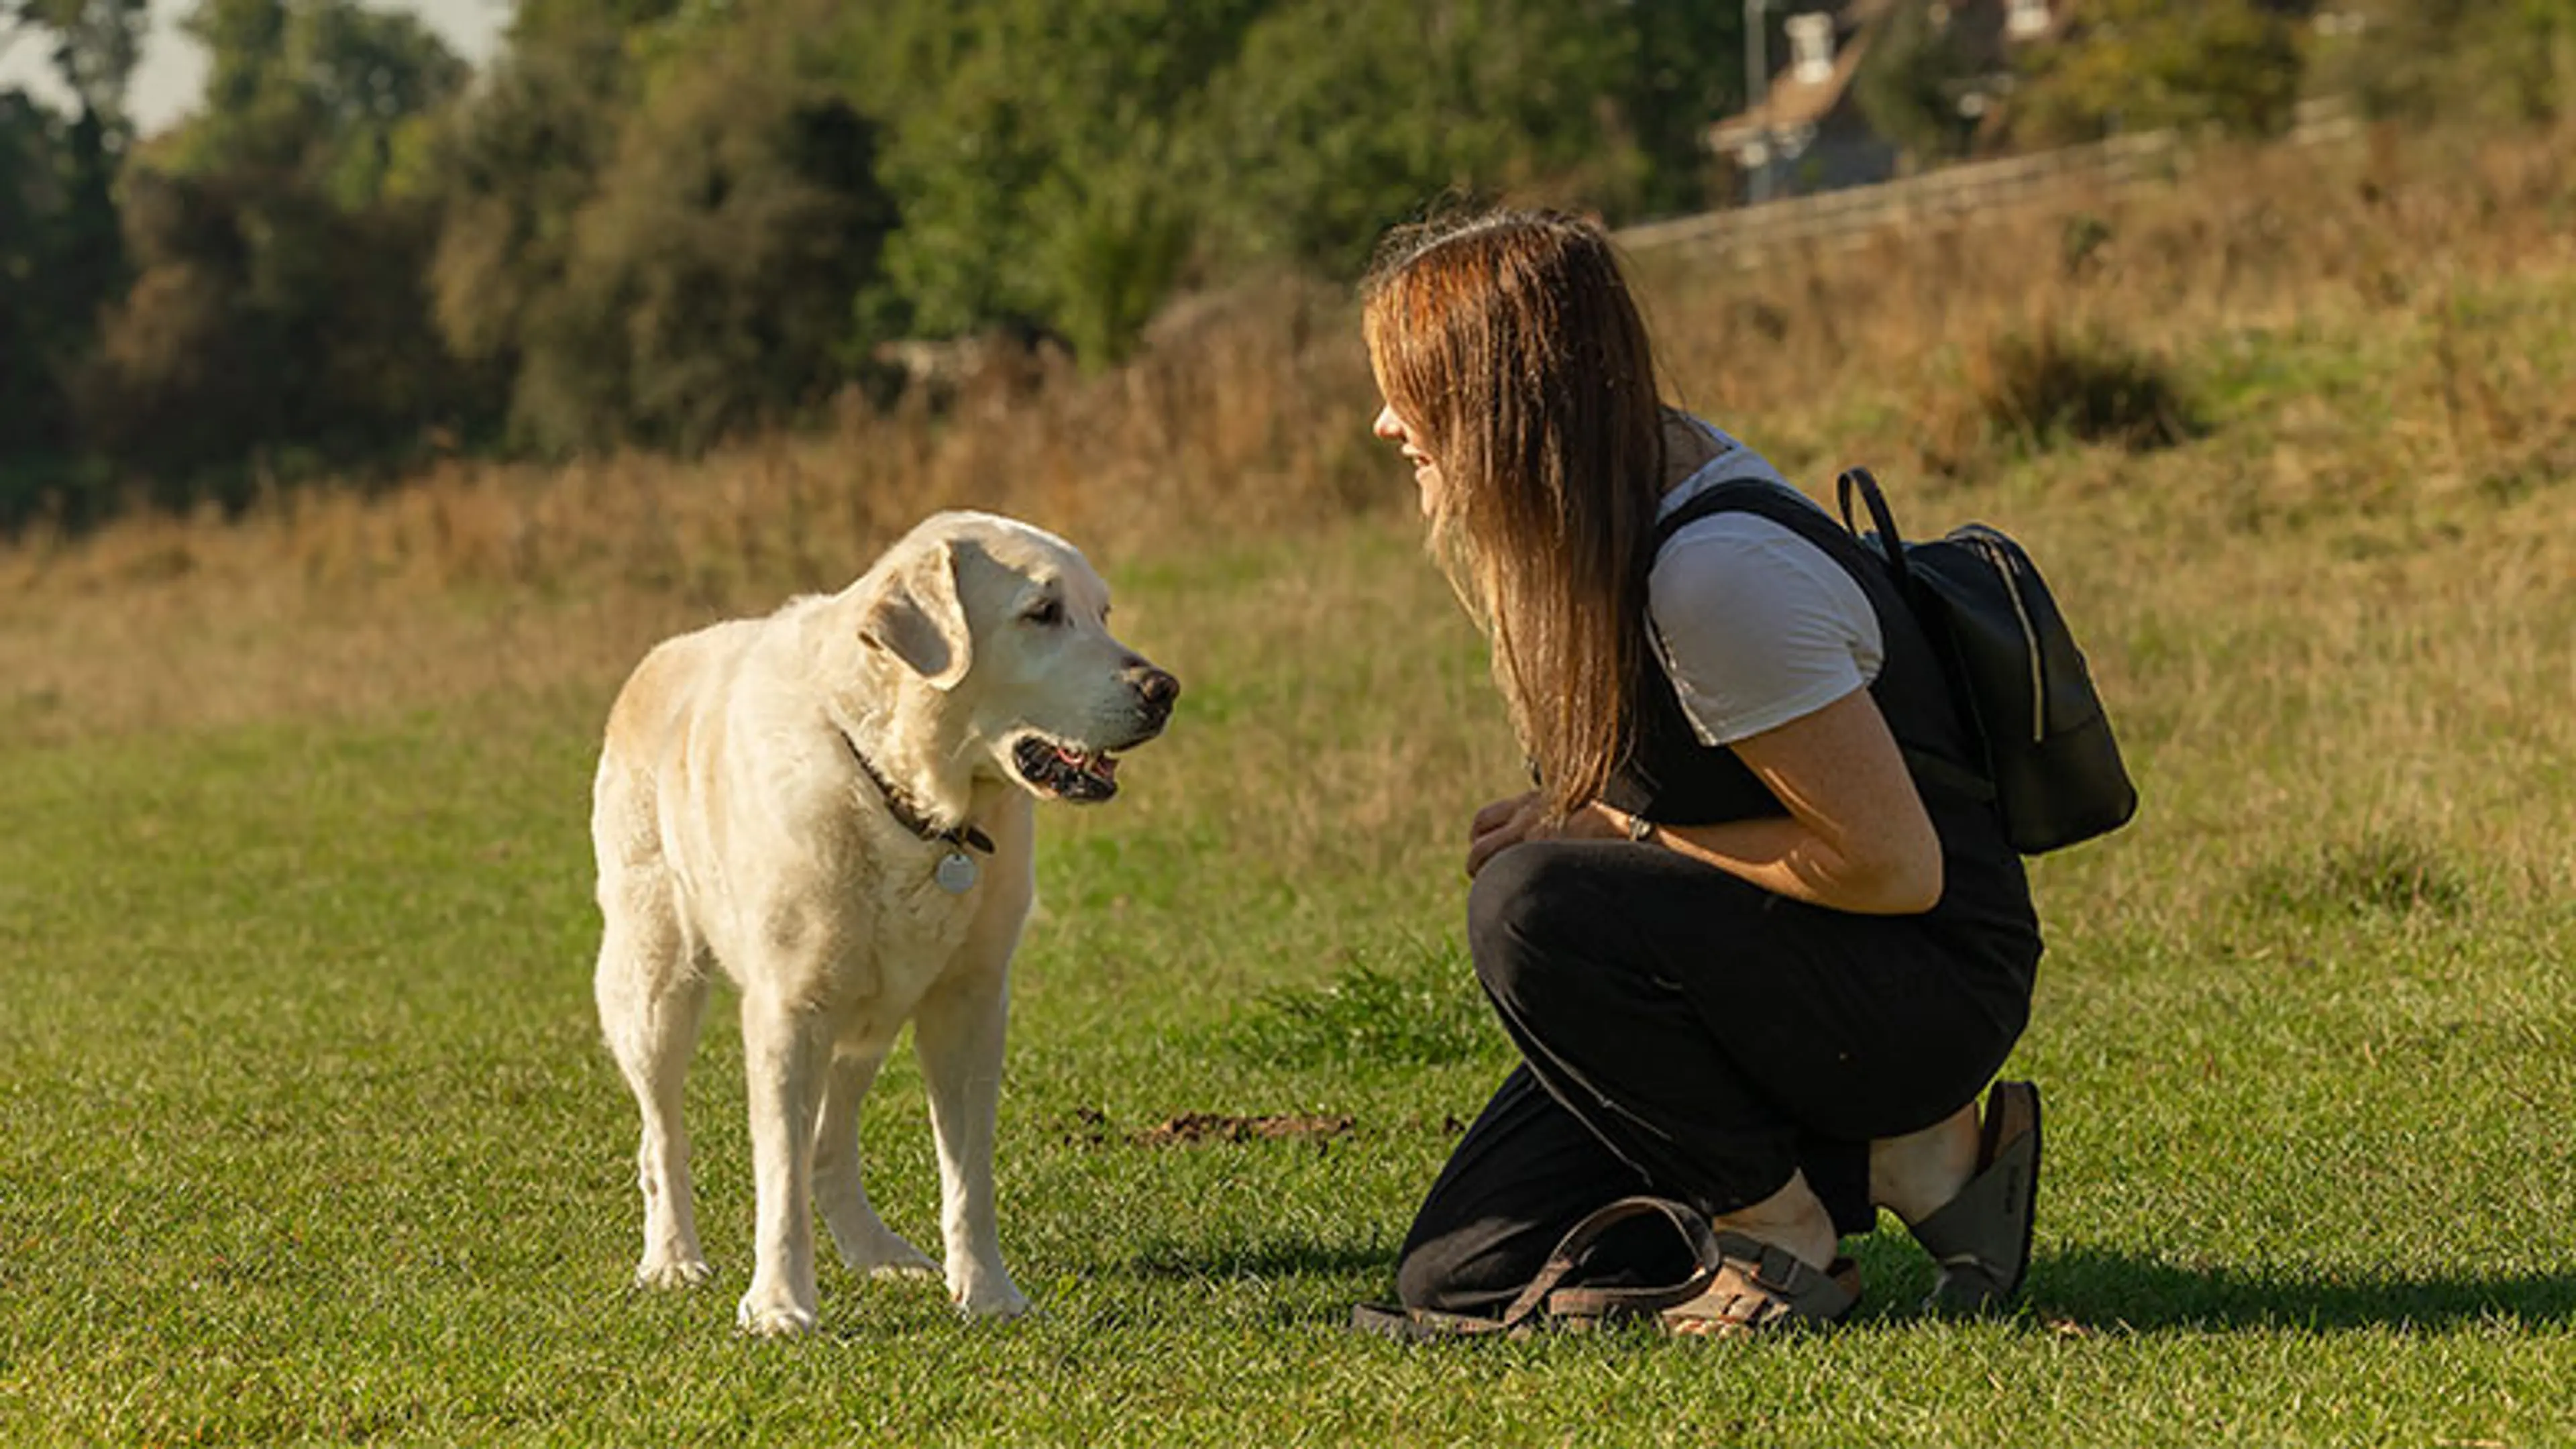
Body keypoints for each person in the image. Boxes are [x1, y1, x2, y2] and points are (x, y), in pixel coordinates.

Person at [1358, 207, 2046, 1336]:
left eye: (1413, 391)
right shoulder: (1610, 496)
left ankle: (1781, 1229)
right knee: (1463, 1277)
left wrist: (1615, 832)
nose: (1386, 425)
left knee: (1531, 907)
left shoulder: (1716, 572)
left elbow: (1891, 867)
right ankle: (1910, 1163)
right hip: (1791, 967)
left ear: (1505, 400)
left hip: (1922, 982)